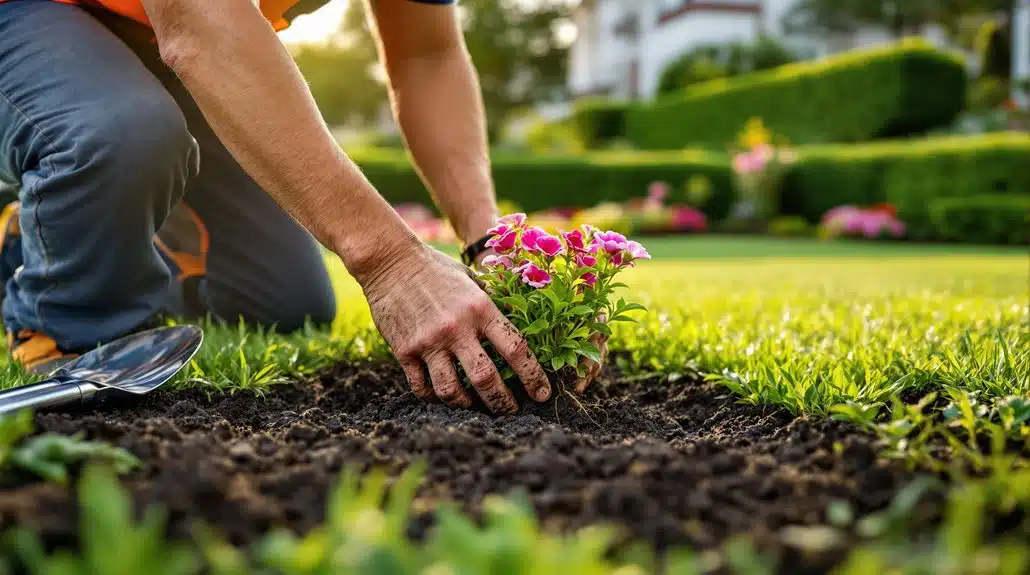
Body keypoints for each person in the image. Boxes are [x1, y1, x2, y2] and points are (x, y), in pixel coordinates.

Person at [0, 0, 605, 415]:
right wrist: (392, 263)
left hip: (164, 35)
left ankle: (92, 228)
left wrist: (491, 245)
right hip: (35, 14)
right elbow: (199, 27)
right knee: (119, 134)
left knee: (285, 304)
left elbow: (427, 55)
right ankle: (58, 316)